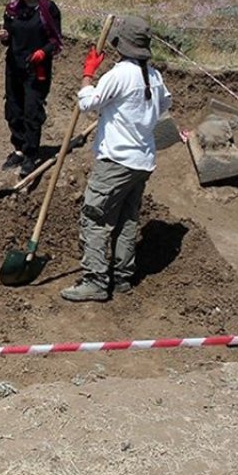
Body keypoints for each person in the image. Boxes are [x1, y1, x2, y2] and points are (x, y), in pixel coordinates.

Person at [61, 16, 173, 303]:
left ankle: (95, 281)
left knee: (95, 217)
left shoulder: (120, 74)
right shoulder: (154, 75)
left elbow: (87, 103)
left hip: (116, 161)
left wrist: (88, 74)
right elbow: (165, 105)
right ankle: (122, 277)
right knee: (126, 219)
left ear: (121, 45)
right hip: (142, 160)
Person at [0, 0, 62, 178]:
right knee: (13, 110)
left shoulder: (48, 10)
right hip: (14, 67)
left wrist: (43, 53)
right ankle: (19, 148)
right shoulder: (12, 9)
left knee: (32, 112)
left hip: (37, 70)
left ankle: (31, 155)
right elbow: (8, 35)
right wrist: (4, 37)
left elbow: (55, 40)